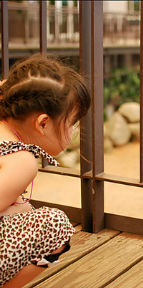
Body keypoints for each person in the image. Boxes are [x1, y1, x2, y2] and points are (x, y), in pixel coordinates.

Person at [0, 54, 90, 287]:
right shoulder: (20, 161)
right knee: (55, 224)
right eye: (72, 123)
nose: (74, 131)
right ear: (43, 124)